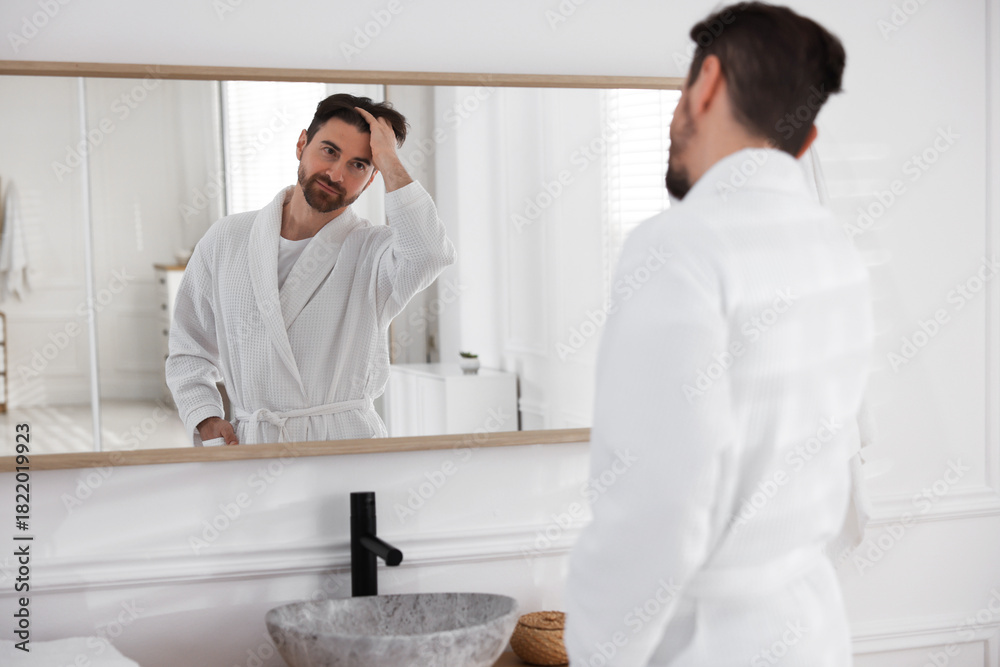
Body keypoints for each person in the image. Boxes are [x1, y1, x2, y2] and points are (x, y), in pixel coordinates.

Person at [563, 3, 872, 665]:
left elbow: (655, 513)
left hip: (705, 644)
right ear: (807, 141)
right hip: (813, 634)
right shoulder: (838, 252)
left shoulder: (677, 249)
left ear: (705, 82)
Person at [166, 94, 456, 446]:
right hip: (253, 443)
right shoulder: (228, 238)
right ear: (302, 143)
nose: (336, 174)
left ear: (372, 176)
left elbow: (429, 254)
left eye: (359, 165)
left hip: (344, 445)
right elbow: (188, 344)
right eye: (330, 151)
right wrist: (205, 416)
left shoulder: (374, 252)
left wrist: (389, 159)